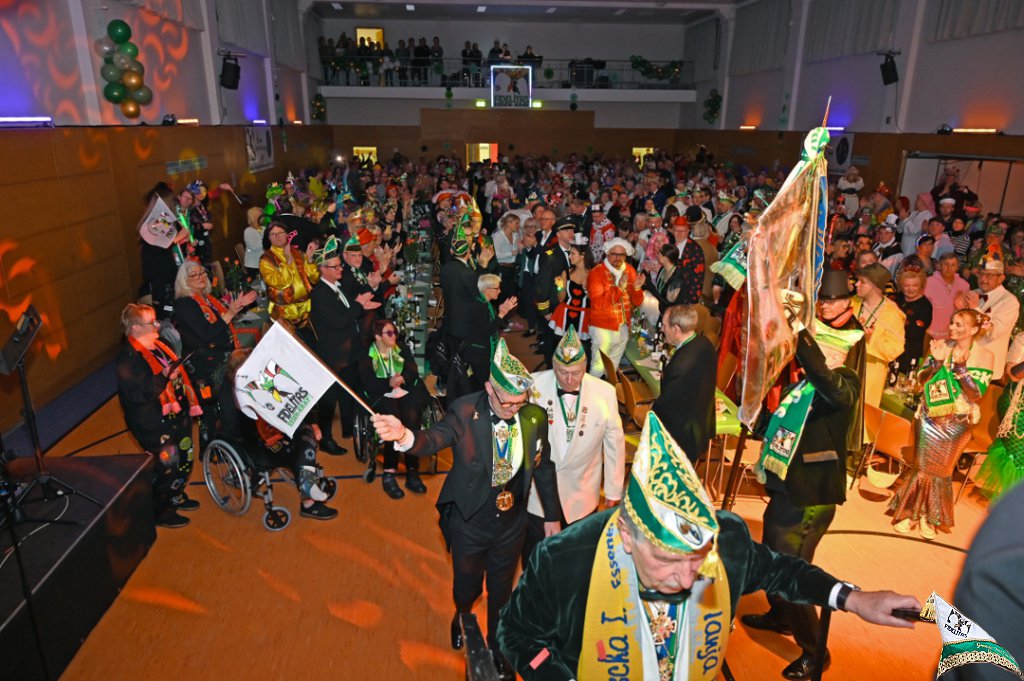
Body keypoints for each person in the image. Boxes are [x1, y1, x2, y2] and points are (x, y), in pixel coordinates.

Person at [497, 410, 921, 681]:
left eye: (697, 561)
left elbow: (782, 571)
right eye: (667, 560)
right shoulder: (564, 560)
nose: (687, 581)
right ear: (627, 533)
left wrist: (853, 599)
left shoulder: (728, 540)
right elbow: (516, 635)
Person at [370, 339, 562, 678]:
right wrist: (404, 437)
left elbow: (543, 466)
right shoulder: (464, 410)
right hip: (470, 523)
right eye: (506, 402)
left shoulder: (534, 417)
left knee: (502, 594)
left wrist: (552, 515)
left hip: (511, 526)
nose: (512, 409)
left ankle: (497, 648)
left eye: (519, 403)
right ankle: (461, 616)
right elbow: (433, 439)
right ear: (489, 388)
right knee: (466, 588)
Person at [743, 281, 866, 680]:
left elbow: (827, 381)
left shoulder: (844, 384)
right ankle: (781, 615)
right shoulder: (803, 387)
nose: (822, 355)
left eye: (827, 348)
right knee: (771, 556)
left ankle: (816, 650)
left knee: (793, 571)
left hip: (811, 495)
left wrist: (799, 333)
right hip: (787, 487)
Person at [889, 309, 995, 539]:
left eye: (959, 325)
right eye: (952, 322)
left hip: (957, 423)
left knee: (942, 471)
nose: (952, 328)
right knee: (921, 468)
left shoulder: (985, 355)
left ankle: (930, 517)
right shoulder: (940, 346)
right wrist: (936, 363)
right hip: (929, 418)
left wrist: (961, 369)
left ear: (974, 329)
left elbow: (975, 394)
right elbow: (921, 379)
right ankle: (911, 514)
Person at [524, 326, 625, 561]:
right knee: (534, 556)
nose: (569, 379)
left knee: (575, 559)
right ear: (553, 365)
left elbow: (615, 444)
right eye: (562, 372)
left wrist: (613, 489)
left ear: (585, 365)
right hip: (539, 495)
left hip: (582, 494)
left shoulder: (605, 392)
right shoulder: (533, 386)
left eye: (576, 372)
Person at [216, 349, 337, 520]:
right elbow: (237, 427)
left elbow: (290, 403)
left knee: (306, 435)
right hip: (252, 439)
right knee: (294, 451)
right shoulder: (230, 393)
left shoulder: (261, 380)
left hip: (275, 429)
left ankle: (308, 486)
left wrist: (311, 423)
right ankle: (309, 502)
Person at [116, 303, 202, 528]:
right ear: (135, 328)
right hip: (153, 424)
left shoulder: (161, 344)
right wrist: (163, 376)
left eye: (156, 320)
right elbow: (139, 394)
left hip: (178, 416)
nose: (157, 325)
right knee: (168, 468)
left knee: (185, 460)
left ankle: (175, 496)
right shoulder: (128, 359)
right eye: (151, 322)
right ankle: (161, 511)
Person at [172, 260, 257, 448]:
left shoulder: (208, 299)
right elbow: (207, 333)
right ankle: (214, 446)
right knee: (216, 409)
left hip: (219, 357)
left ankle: (229, 442)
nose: (200, 277)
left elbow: (220, 327)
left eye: (202, 273)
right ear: (185, 281)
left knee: (230, 404)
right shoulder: (184, 304)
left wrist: (235, 308)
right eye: (194, 275)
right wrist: (231, 312)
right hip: (204, 364)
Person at [309, 236, 380, 455]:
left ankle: (350, 429)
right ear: (323, 269)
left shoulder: (336, 286)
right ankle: (326, 439)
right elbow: (339, 322)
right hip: (333, 355)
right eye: (336, 266)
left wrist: (361, 305)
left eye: (340, 265)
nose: (341, 268)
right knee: (329, 400)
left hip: (348, 350)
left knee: (350, 391)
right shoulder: (320, 293)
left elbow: (350, 311)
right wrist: (359, 305)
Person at [358, 319, 429, 499]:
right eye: (389, 333)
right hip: (380, 394)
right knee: (393, 421)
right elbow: (368, 383)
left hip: (403, 390)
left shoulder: (401, 349)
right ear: (377, 337)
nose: (394, 336)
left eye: (395, 332)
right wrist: (388, 383)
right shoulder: (367, 356)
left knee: (412, 418)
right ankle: (389, 472)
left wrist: (403, 378)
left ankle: (412, 470)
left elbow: (413, 370)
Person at [652, 305, 716, 464]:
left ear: (676, 329)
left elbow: (666, 405)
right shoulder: (705, 343)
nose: (662, 329)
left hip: (681, 439)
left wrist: (651, 414)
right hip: (699, 426)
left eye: (664, 326)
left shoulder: (681, 366)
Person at [586, 237, 645, 377]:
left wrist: (637, 289)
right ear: (607, 253)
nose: (618, 258)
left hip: (623, 327)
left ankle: (609, 390)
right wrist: (619, 289)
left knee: (613, 368)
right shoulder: (597, 273)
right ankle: (591, 391)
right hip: (602, 328)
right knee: (598, 367)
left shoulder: (629, 270)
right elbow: (598, 303)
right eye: (614, 254)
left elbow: (637, 301)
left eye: (622, 255)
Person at [956, 256, 1020, 381]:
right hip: (963, 364)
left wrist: (975, 309)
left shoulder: (1009, 301)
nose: (983, 279)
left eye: (989, 275)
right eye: (981, 274)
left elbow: (993, 333)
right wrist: (959, 310)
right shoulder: (974, 293)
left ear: (1001, 278)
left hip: (985, 371)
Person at [977, 332, 1024, 500]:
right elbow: (1012, 374)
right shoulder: (1022, 338)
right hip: (1017, 404)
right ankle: (1010, 502)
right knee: (1017, 455)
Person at [851, 263, 905, 409]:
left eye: (862, 281)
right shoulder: (851, 303)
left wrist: (871, 339)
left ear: (874, 285)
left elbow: (895, 349)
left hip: (870, 376)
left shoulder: (893, 314)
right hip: (845, 368)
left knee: (861, 415)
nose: (857, 284)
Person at [259, 220, 320, 343]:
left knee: (312, 346)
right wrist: (287, 261)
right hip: (285, 314)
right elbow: (280, 282)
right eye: (273, 234)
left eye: (280, 233)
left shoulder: (296, 252)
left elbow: (314, 279)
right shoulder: (266, 259)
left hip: (306, 311)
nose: (277, 236)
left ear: (287, 234)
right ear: (268, 238)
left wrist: (309, 260)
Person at [535, 217, 576, 368]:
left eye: (572, 230)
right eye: (566, 230)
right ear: (557, 234)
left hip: (572, 304)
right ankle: (550, 369)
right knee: (552, 342)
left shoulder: (578, 252)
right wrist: (545, 309)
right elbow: (543, 284)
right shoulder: (550, 255)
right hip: (554, 305)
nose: (571, 233)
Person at [548, 237, 592, 356]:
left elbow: (596, 301)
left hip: (584, 318)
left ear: (583, 255)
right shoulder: (566, 273)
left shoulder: (593, 274)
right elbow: (561, 298)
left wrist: (588, 289)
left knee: (582, 353)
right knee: (561, 352)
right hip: (565, 315)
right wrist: (559, 286)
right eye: (569, 253)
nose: (569, 256)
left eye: (573, 254)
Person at [893, 269, 933, 375]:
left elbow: (913, 332)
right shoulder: (894, 298)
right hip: (889, 346)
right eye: (906, 285)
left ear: (921, 286)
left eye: (915, 285)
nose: (910, 289)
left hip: (910, 350)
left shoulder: (925, 306)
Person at [925, 252, 971, 341]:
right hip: (930, 335)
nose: (949, 268)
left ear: (957, 267)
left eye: (953, 265)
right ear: (939, 266)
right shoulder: (928, 283)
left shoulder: (964, 285)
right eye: (946, 264)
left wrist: (961, 305)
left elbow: (966, 313)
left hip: (954, 335)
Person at [242, 206, 265, 279]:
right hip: (254, 265)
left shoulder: (262, 228)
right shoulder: (248, 231)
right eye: (259, 216)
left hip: (265, 263)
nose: (262, 218)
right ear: (253, 218)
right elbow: (254, 246)